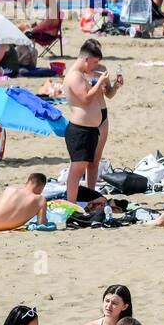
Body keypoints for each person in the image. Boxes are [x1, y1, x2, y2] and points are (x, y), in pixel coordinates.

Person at [63, 39, 112, 203]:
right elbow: (85, 99)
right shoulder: (74, 76)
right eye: (94, 62)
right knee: (76, 170)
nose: (95, 66)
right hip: (80, 130)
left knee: (86, 165)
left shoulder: (80, 75)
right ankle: (71, 204)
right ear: (86, 59)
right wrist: (98, 83)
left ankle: (82, 200)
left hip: (88, 129)